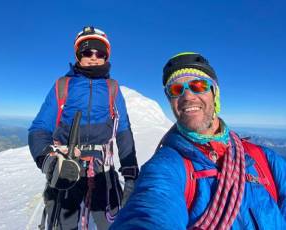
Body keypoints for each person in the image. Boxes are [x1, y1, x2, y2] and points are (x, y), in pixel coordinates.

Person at [110, 52, 286, 229]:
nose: (187, 97)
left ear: (214, 93)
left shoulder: (264, 158)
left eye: (198, 85)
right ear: (170, 101)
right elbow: (150, 208)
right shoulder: (168, 165)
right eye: (176, 90)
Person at [28, 26, 139, 230]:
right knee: (64, 223)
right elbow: (39, 129)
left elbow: (123, 131)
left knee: (111, 223)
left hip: (101, 170)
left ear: (106, 57)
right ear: (78, 55)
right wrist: (48, 162)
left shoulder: (112, 88)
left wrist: (131, 172)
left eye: (100, 53)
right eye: (88, 52)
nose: (94, 57)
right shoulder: (63, 86)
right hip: (66, 166)